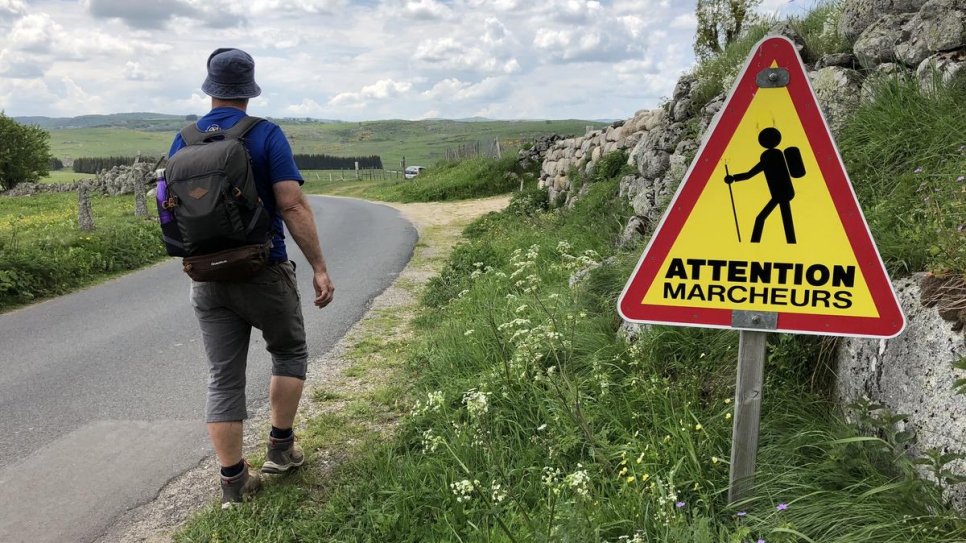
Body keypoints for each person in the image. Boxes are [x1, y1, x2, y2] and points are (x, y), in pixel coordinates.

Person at [168, 47, 335, 508]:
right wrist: (319, 266)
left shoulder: (183, 141)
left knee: (223, 377)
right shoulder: (265, 134)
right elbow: (292, 204)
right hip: (263, 270)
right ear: (249, 89)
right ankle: (281, 450)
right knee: (288, 350)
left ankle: (233, 483)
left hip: (205, 277)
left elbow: (173, 210)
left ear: (210, 88)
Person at [724, 127, 801, 244]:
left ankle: (755, 245)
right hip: (783, 193)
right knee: (784, 221)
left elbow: (750, 174)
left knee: (765, 219)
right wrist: (734, 178)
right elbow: (751, 174)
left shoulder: (769, 157)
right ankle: (790, 244)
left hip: (781, 194)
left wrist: (734, 178)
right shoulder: (776, 155)